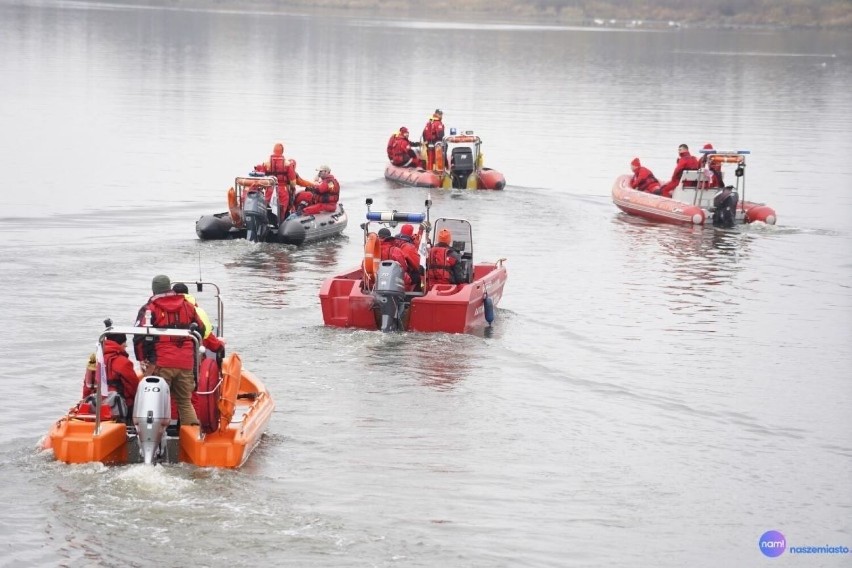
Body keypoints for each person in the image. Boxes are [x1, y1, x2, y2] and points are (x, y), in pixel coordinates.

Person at [134, 275, 224, 427]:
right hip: (186, 363)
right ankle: (191, 434)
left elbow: (139, 337)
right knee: (184, 401)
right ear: (169, 287)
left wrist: (142, 358)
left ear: (154, 289)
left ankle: (155, 438)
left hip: (160, 363)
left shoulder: (150, 309)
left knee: (155, 402)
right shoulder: (187, 306)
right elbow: (201, 330)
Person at [81, 333, 140, 423]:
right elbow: (133, 388)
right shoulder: (123, 362)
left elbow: (87, 386)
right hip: (117, 407)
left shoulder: (95, 361)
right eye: (125, 342)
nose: (126, 345)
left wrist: (85, 402)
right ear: (120, 343)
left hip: (95, 405)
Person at [254, 142, 316, 219]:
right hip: (283, 190)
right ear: (282, 151)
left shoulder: (266, 163)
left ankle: (268, 222)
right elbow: (294, 181)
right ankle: (282, 223)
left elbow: (262, 178)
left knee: (268, 207)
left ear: (273, 150)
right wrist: (313, 185)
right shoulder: (287, 164)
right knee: (282, 209)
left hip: (270, 189)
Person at [171, 283, 226, 356]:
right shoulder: (199, 312)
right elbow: (209, 340)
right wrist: (221, 344)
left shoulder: (165, 312)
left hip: (169, 353)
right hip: (192, 355)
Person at [393, 224, 423, 290]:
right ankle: (413, 295)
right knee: (418, 273)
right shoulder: (409, 247)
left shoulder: (394, 242)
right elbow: (416, 265)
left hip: (393, 271)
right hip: (404, 273)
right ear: (410, 233)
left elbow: (417, 242)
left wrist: (421, 231)